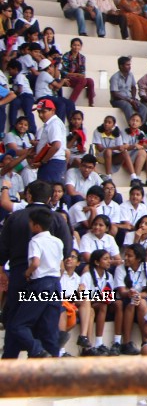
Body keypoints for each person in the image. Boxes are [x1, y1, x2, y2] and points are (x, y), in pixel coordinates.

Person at [0, 181, 73, 359]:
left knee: (16, 324)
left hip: (20, 275)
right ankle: (48, 375)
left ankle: (10, 371)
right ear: (50, 198)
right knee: (48, 328)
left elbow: (2, 251)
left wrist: (3, 271)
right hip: (51, 279)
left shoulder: (15, 217)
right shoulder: (57, 218)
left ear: (28, 195)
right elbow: (67, 251)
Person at [14, 209, 64, 358]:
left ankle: (37, 349)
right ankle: (54, 365)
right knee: (50, 329)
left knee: (18, 325)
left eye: (30, 222)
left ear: (36, 226)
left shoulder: (35, 241)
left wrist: (27, 273)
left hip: (40, 284)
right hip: (55, 283)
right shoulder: (57, 241)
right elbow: (61, 267)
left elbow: (35, 263)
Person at [33, 98, 68, 185]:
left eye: (43, 112)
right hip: (52, 162)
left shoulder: (54, 124)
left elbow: (56, 145)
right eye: (39, 112)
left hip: (52, 163)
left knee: (46, 191)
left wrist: (43, 161)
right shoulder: (53, 123)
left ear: (52, 110)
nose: (41, 115)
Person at [110, 56, 147, 125]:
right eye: (127, 65)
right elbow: (114, 94)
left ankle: (139, 126)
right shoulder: (115, 77)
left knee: (144, 108)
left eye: (129, 64)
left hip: (129, 98)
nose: (129, 66)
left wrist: (133, 98)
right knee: (127, 106)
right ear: (121, 66)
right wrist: (130, 101)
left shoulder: (130, 75)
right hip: (117, 100)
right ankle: (131, 125)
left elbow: (133, 87)